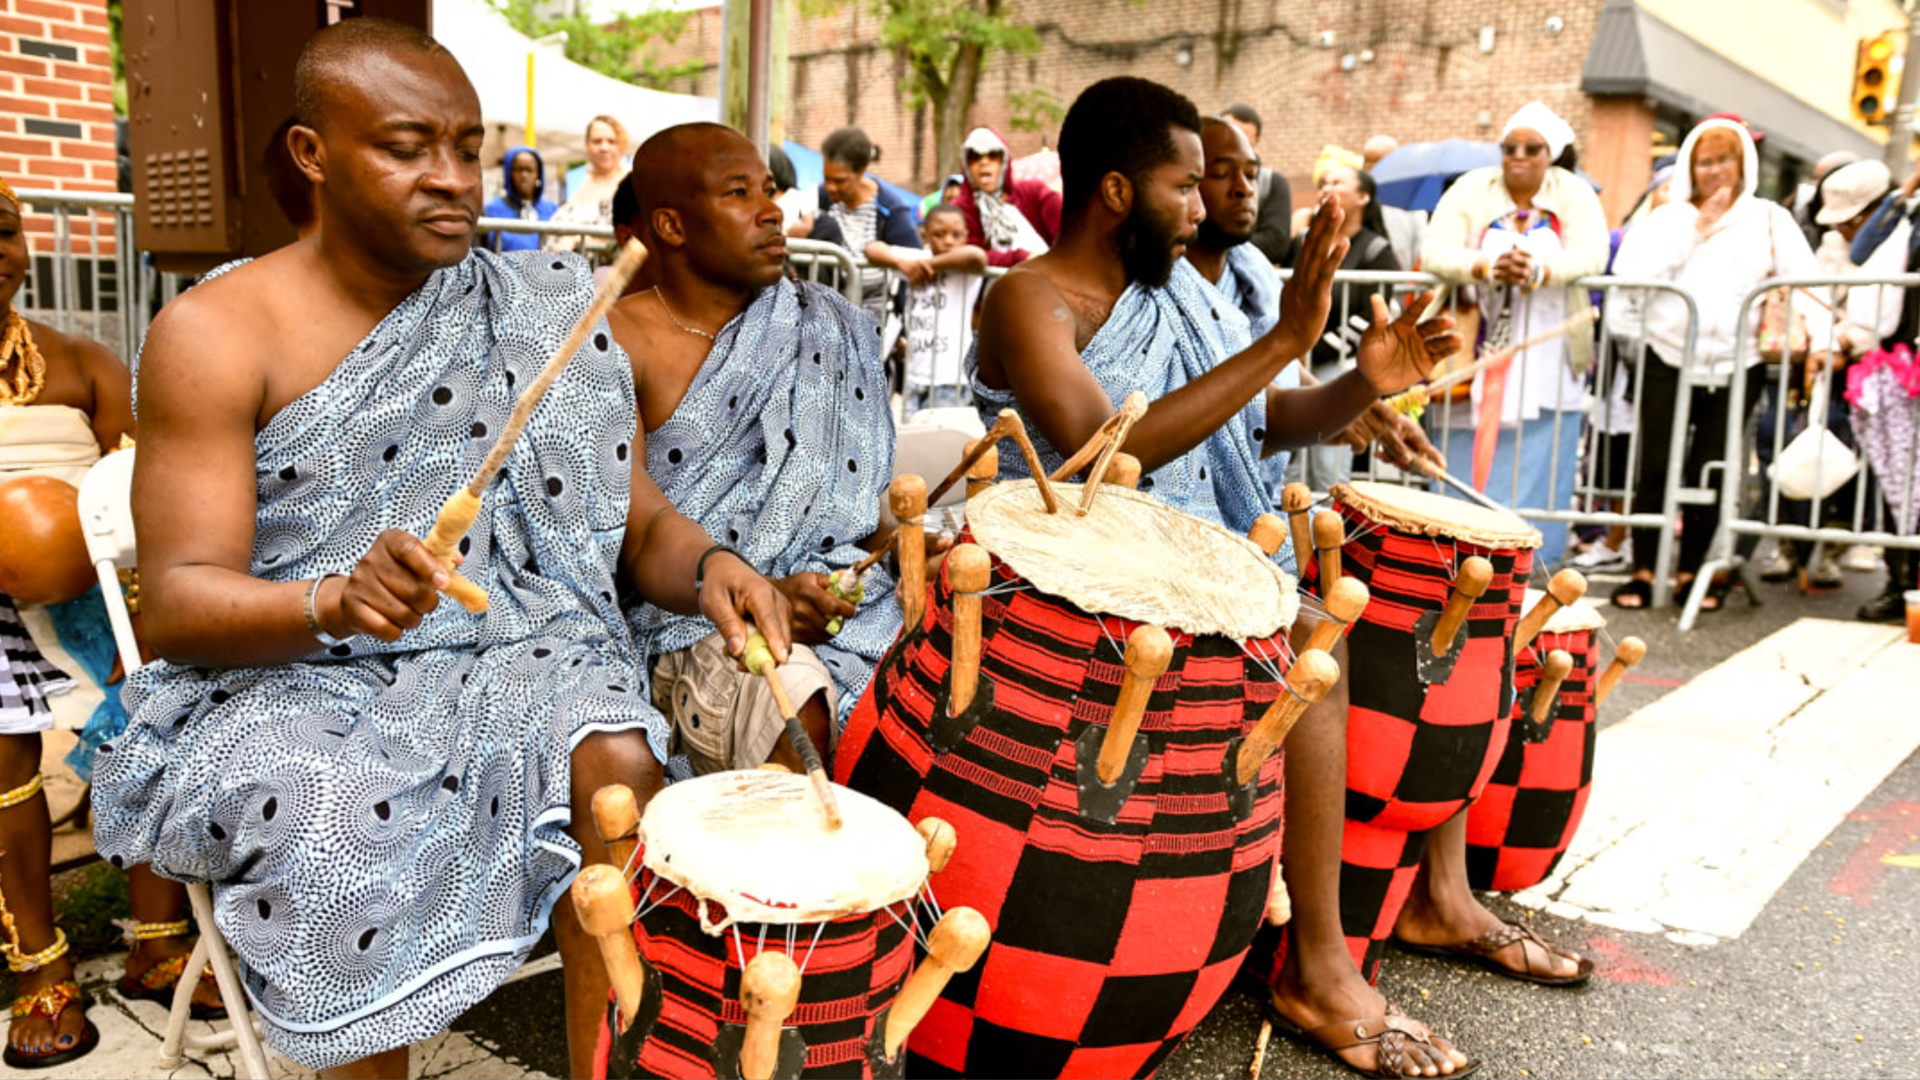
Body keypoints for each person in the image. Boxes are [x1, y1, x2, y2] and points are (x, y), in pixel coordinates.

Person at [88, 22, 792, 1079]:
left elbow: (641, 524)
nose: (454, 179)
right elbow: (177, 605)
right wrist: (331, 600)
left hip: (516, 651)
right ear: (313, 155)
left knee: (611, 753)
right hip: (285, 677)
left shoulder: (546, 309)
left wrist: (708, 568)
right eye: (408, 148)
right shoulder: (216, 330)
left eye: (466, 147)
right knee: (332, 820)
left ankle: (610, 1063)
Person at [972, 76, 1471, 1080]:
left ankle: (1360, 923)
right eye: (1184, 187)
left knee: (1344, 627)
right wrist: (1286, 337)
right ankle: (1318, 967)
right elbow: (1101, 447)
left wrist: (1357, 383)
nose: (1203, 210)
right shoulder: (1026, 297)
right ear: (1115, 191)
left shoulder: (1180, 293)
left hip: (1196, 561)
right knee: (1302, 664)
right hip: (1070, 573)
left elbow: (1261, 420)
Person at [0, 176, 233, 1068]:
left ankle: (157, 940)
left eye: (7, 230)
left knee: (159, 697)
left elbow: (148, 497)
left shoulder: (85, 362)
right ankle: (38, 969)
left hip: (93, 593)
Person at [611, 124, 905, 779]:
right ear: (670, 225)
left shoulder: (828, 321)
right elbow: (626, 539)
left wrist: (906, 549)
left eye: (770, 189)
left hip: (852, 605)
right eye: (738, 192)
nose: (772, 209)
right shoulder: (617, 341)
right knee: (798, 703)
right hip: (692, 620)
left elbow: (857, 504)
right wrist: (765, 591)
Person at [1609, 116, 1831, 609]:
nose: (1714, 171)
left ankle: (1693, 572)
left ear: (1743, 164)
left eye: (1724, 159)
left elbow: (1808, 285)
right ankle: (1644, 570)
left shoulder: (1770, 217)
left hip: (1739, 361)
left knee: (1712, 466)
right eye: (1704, 161)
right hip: (1666, 353)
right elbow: (1630, 275)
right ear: (1690, 165)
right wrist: (1696, 230)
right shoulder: (1665, 216)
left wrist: (1821, 343)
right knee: (1655, 463)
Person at [1422, 101, 1610, 567]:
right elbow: (1434, 252)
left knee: (1539, 453)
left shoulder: (1575, 193)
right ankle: (1447, 553)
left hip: (1546, 349)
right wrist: (1485, 265)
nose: (1519, 156)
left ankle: (1526, 562)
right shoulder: (1472, 188)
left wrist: (1540, 269)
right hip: (1471, 345)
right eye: (1510, 147)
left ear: (1553, 154)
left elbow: (1593, 255)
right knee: (1458, 448)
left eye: (1533, 148)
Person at [1285, 160, 1403, 492]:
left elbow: (1370, 315)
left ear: (1364, 197)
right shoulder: (1305, 240)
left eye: (1338, 182)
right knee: (1290, 460)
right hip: (1295, 361)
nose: (1327, 188)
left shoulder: (1377, 249)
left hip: (1339, 365)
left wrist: (1314, 349)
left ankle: (1330, 536)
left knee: (1327, 467)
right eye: (1323, 182)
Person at [1846, 162, 1920, 621]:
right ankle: (1901, 583)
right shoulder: (1911, 212)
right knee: (1898, 479)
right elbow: (1861, 250)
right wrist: (1905, 190)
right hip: (1901, 361)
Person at [864, 202, 988, 413]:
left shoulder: (964, 267)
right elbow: (871, 248)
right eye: (939, 234)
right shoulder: (916, 259)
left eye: (956, 235)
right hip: (914, 375)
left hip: (950, 378)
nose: (948, 240)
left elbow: (977, 256)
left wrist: (931, 266)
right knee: (913, 438)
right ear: (926, 234)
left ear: (966, 235)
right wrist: (903, 264)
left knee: (941, 439)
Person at [817, 126, 923, 320]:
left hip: (877, 323)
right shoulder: (822, 198)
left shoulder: (891, 209)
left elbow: (913, 261)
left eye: (839, 181)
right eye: (826, 179)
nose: (831, 187)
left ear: (861, 171)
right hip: (831, 318)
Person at [951, 126, 1058, 267]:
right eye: (974, 156)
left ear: (1004, 160)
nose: (984, 162)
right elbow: (969, 254)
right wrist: (1022, 258)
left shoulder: (1034, 191)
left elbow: (1070, 229)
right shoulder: (960, 209)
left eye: (993, 155)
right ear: (966, 165)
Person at [545, 114, 629, 254]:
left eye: (611, 141)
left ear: (621, 145)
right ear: (587, 146)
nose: (604, 147)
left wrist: (577, 239)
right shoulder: (578, 182)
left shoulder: (630, 183)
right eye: (597, 141)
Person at [1221, 103, 1293, 265]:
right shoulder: (1198, 177)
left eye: (1243, 141)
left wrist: (1219, 248)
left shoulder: (1272, 183)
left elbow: (1276, 242)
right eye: (1229, 136)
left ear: (1256, 142)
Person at [1361, 132, 1428, 273]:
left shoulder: (1412, 205)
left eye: (1380, 163)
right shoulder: (1358, 200)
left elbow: (1420, 250)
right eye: (1367, 164)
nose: (1373, 170)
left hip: (1401, 286)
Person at [481, 145, 556, 253]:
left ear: (538, 174)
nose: (524, 175)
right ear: (509, 173)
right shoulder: (490, 210)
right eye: (518, 170)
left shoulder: (552, 210)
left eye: (529, 170)